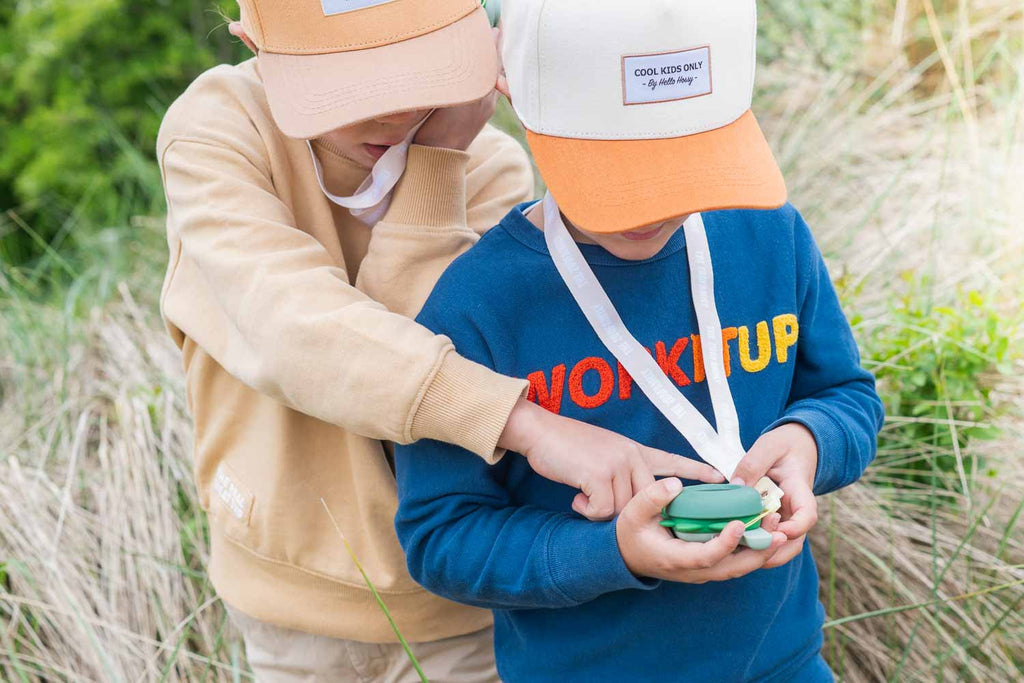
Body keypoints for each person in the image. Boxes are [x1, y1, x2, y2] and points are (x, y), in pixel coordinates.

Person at [156, 0, 716, 679]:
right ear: (254, 44)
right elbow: (295, 333)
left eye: (416, 72)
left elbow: (422, 343)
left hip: (464, 603)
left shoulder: (486, 169)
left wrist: (440, 159)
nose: (392, 115)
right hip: (294, 610)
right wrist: (527, 424)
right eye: (348, 84)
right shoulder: (220, 130)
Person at [394, 1, 886, 681]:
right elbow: (441, 537)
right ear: (519, 99)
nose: (652, 205)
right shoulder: (477, 304)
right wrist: (613, 552)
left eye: (682, 166)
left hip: (786, 662)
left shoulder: (771, 236)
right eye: (615, 172)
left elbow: (845, 395)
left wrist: (809, 442)